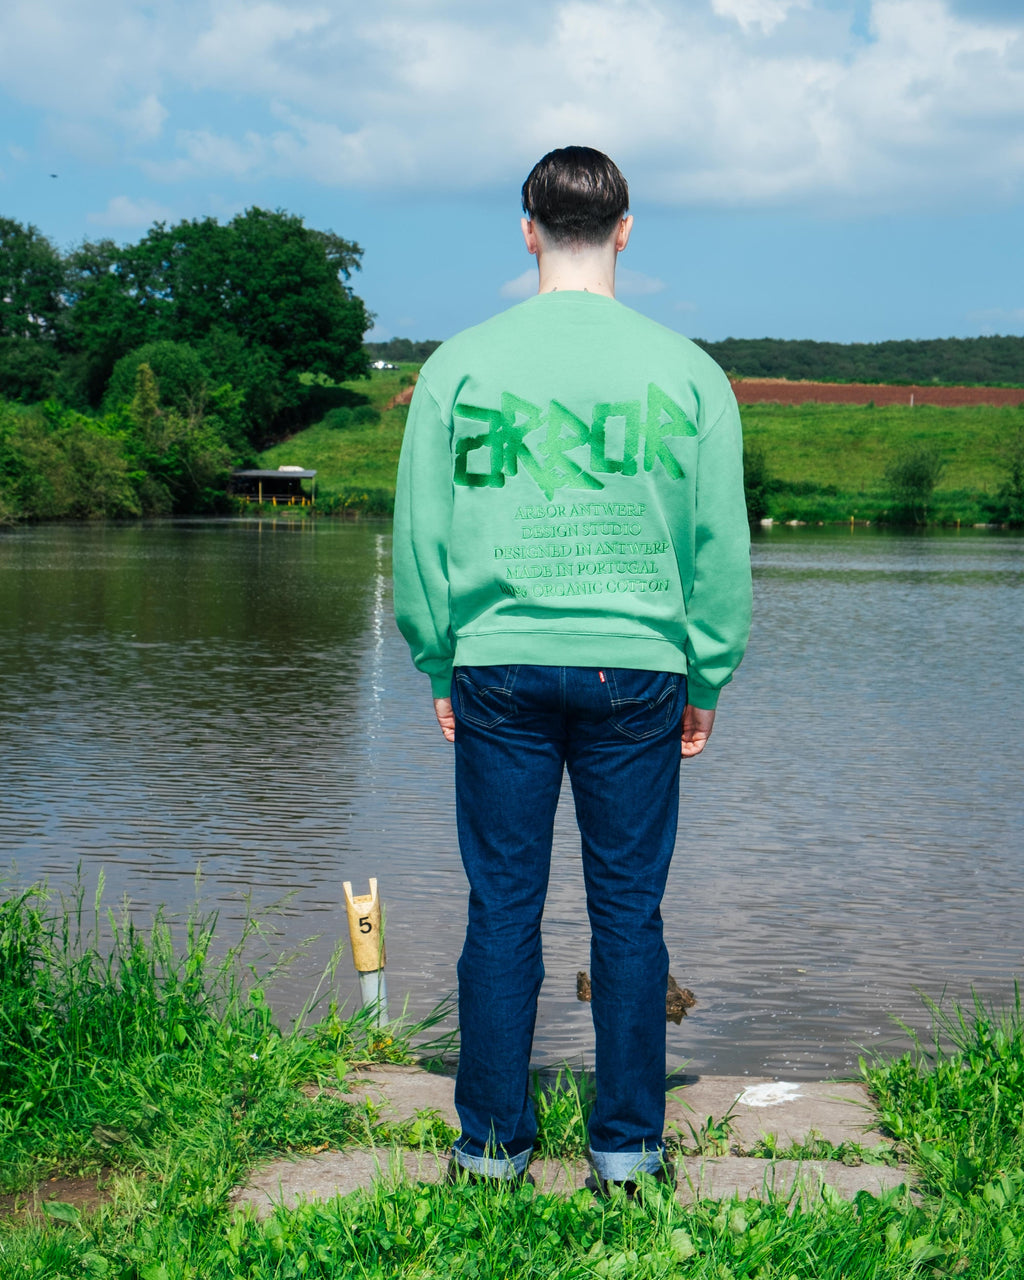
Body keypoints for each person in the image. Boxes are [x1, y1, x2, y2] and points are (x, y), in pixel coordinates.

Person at [393, 146, 751, 1191]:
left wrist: (436, 660)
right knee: (627, 911)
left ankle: (492, 1148)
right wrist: (708, 675)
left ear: (528, 227)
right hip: (638, 668)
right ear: (626, 230)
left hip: (497, 662)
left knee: (500, 905)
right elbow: (718, 549)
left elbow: (420, 534)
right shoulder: (689, 372)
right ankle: (628, 1151)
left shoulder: (459, 364)